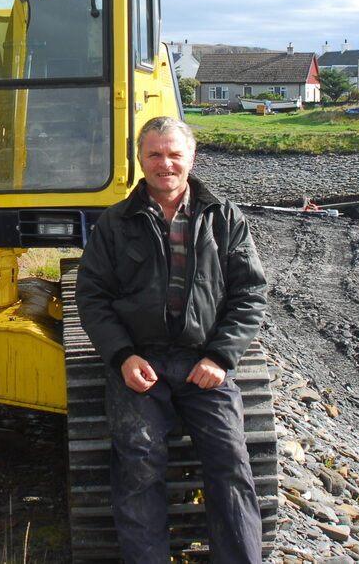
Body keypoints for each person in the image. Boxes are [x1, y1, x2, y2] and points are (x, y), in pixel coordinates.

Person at [75, 116, 267, 563]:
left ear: (191, 158)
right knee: (139, 460)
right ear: (140, 160)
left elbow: (249, 293)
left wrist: (221, 356)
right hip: (141, 364)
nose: (166, 164)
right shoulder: (115, 223)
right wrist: (122, 355)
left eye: (175, 154)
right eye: (155, 155)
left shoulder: (224, 219)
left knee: (230, 460)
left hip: (205, 363)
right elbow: (93, 296)